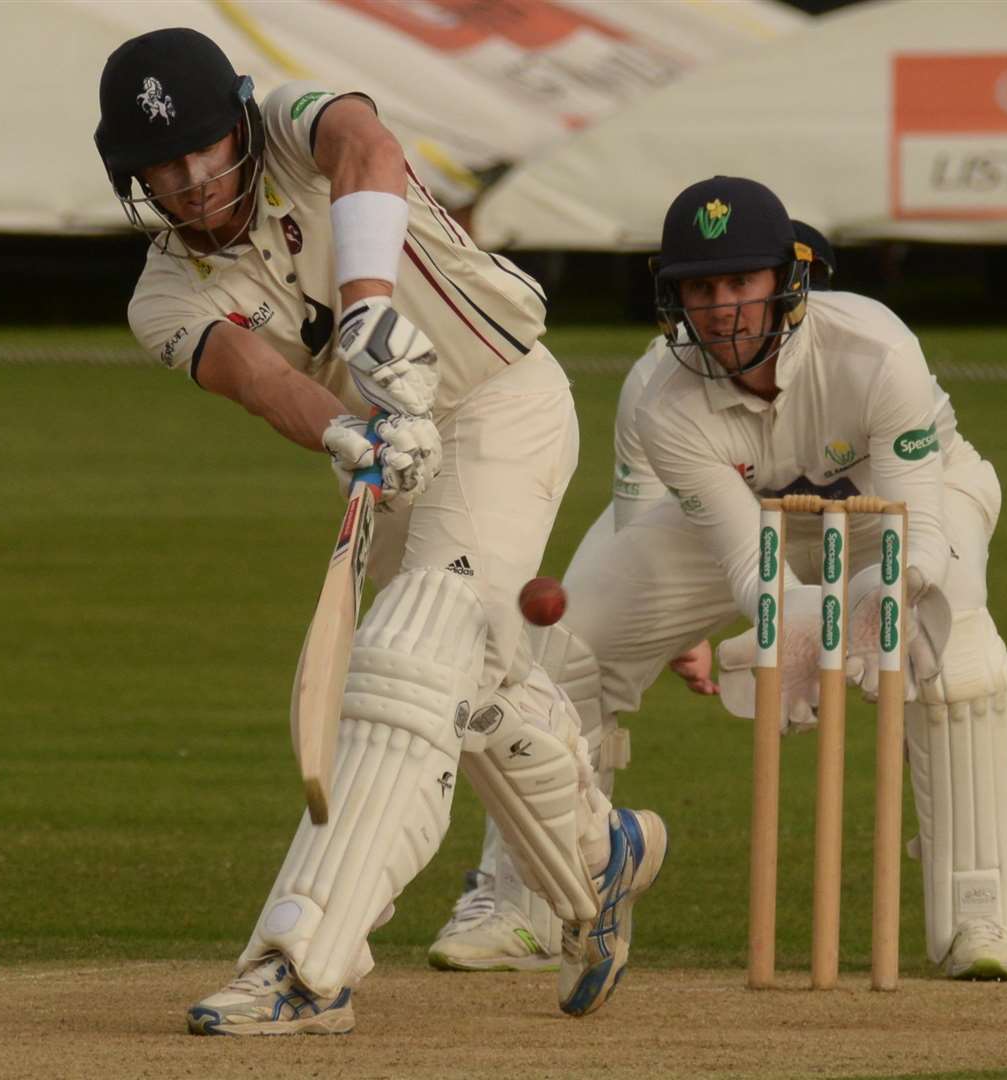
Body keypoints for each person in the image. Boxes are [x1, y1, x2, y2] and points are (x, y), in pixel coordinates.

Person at [94, 27, 667, 1035]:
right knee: (468, 686)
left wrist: (367, 311)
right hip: (395, 457)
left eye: (200, 149)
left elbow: (367, 146)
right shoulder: (164, 297)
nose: (188, 180)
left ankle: (304, 964)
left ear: (237, 121)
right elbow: (258, 378)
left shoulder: (289, 123)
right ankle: (598, 859)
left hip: (500, 401)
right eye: (161, 165)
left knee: (406, 661)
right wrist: (348, 432)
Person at [431, 179, 1007, 980]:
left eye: (740, 283)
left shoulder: (877, 350)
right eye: (701, 289)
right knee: (562, 647)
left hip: (904, 512)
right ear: (673, 298)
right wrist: (764, 634)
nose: (722, 309)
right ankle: (528, 900)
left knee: (953, 652)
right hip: (749, 526)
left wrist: (858, 615)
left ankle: (996, 910)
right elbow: (746, 561)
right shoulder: (662, 397)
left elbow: (913, 542)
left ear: (787, 282)